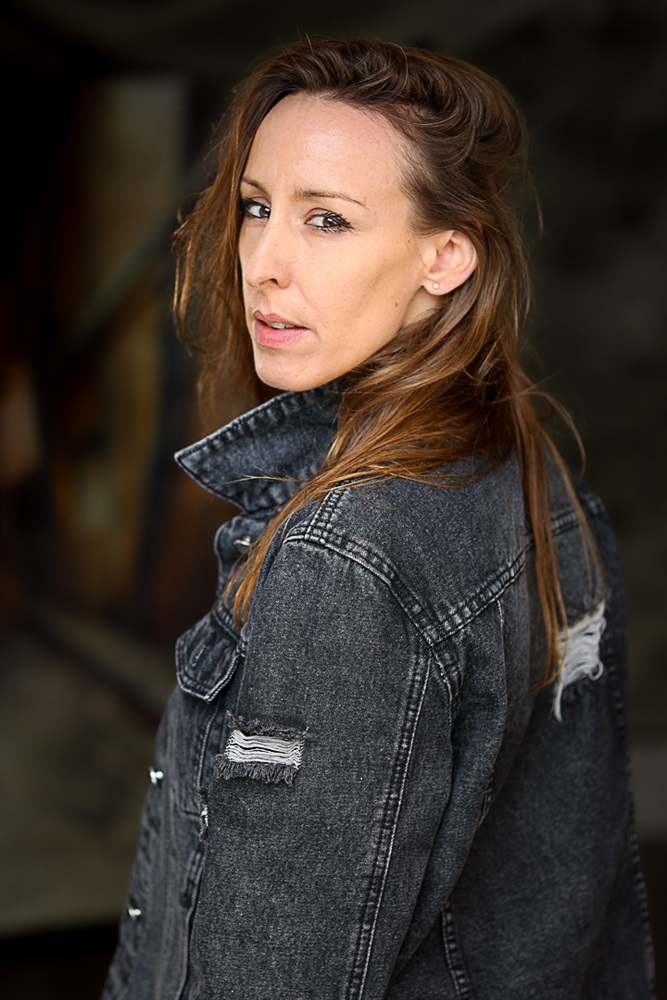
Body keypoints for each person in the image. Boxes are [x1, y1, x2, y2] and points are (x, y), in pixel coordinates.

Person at [102, 39, 654, 1000]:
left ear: (446, 256)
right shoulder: (532, 480)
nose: (263, 263)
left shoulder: (346, 560)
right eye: (256, 207)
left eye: (327, 220)